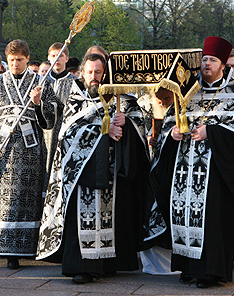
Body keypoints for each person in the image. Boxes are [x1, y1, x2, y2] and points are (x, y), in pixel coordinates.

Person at [151, 36, 234, 288]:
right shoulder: (186, 94)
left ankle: (211, 272)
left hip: (217, 173)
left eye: (212, 60)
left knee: (212, 221)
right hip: (184, 169)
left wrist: (212, 133)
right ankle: (188, 268)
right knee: (183, 217)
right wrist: (172, 134)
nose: (207, 64)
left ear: (223, 65)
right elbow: (169, 126)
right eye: (204, 59)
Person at [36, 53, 165, 284]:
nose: (94, 77)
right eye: (89, 72)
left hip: (114, 175)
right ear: (82, 73)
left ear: (105, 73)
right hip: (83, 175)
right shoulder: (76, 100)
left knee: (115, 216)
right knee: (83, 219)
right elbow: (68, 135)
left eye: (98, 72)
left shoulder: (122, 100)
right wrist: (104, 133)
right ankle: (84, 268)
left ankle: (110, 263)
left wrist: (127, 125)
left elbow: (140, 128)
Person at [0, 39, 63, 269]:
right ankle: (5, 247)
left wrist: (38, 104)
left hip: (31, 152)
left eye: (19, 60)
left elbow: (53, 115)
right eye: (11, 60)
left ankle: (24, 249)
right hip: (4, 149)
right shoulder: (0, 82)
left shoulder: (40, 82)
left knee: (26, 199)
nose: (15, 64)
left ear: (27, 59)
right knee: (4, 202)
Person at [43, 42, 76, 190]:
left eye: (60, 55)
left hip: (65, 136)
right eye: (54, 55)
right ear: (49, 58)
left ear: (66, 58)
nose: (57, 59)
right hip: (43, 136)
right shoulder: (42, 81)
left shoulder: (75, 83)